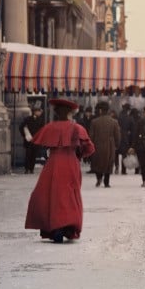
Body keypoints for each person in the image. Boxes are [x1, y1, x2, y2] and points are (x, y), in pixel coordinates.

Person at [24, 98, 95, 243]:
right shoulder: (77, 128)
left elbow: (37, 143)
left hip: (53, 164)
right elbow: (90, 148)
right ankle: (67, 226)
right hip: (71, 164)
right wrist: (78, 154)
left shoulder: (50, 127)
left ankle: (55, 227)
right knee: (69, 194)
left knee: (51, 194)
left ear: (56, 113)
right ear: (69, 113)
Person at [87, 102, 121, 189]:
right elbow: (117, 135)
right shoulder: (114, 122)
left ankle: (99, 178)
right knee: (108, 163)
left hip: (97, 146)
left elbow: (91, 136)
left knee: (97, 163)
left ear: (100, 110)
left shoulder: (94, 122)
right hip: (110, 146)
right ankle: (106, 182)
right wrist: (116, 145)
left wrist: (90, 146)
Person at [19, 105, 45, 174]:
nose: (40, 113)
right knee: (28, 154)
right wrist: (25, 135)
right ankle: (27, 169)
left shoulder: (41, 120)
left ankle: (31, 169)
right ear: (35, 112)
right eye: (39, 111)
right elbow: (21, 127)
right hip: (29, 140)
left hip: (36, 140)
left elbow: (42, 130)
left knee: (34, 155)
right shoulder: (27, 119)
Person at [115, 103, 134, 175]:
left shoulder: (118, 117)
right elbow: (132, 130)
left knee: (116, 153)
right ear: (128, 110)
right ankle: (123, 170)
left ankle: (116, 166)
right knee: (124, 154)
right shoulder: (130, 118)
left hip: (118, 137)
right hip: (126, 138)